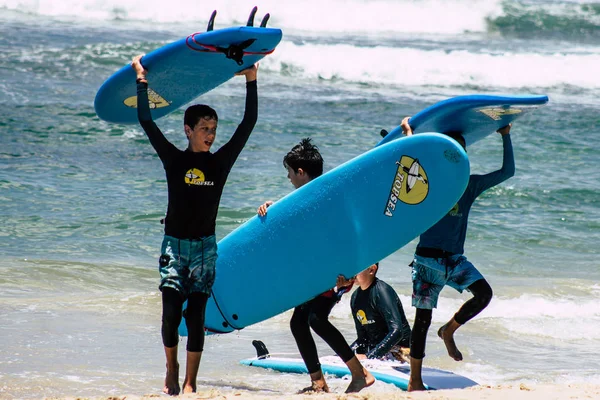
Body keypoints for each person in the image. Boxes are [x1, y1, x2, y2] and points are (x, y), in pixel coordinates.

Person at [131, 54, 259, 396]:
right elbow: (146, 120)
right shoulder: (174, 159)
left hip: (204, 247)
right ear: (188, 130)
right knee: (171, 315)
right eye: (205, 129)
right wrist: (141, 79)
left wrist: (251, 79)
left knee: (197, 317)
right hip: (174, 245)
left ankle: (190, 381)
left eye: (214, 129)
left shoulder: (220, 164)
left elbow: (248, 123)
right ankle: (171, 366)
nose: (211, 136)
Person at [400, 117, 515, 391]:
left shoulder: (469, 185)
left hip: (454, 259)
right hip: (427, 260)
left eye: (461, 153)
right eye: (451, 151)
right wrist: (408, 134)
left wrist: (505, 135)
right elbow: (405, 172)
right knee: (422, 322)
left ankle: (449, 329)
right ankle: (415, 381)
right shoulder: (427, 184)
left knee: (484, 294)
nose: (456, 157)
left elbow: (507, 171)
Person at [257, 138, 375, 394]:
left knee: (316, 319)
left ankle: (360, 373)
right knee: (299, 322)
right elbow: (296, 220)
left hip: (336, 272)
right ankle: (318, 383)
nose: (288, 178)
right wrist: (272, 208)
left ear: (300, 172)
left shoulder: (326, 197)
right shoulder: (309, 196)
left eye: (289, 172)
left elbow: (348, 233)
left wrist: (350, 272)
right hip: (319, 271)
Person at [350, 263, 412, 363]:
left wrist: (369, 357)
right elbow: (363, 340)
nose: (351, 273)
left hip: (402, 352)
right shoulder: (355, 297)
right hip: (379, 352)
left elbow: (397, 331)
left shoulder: (382, 291)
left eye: (356, 268)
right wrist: (346, 355)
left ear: (372, 270)